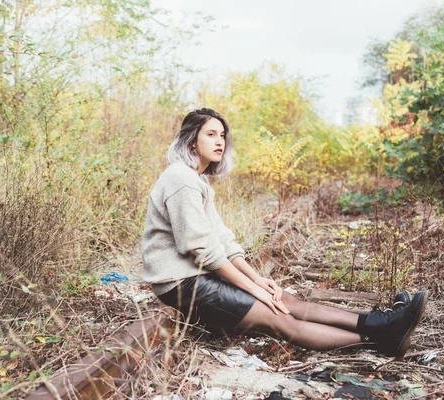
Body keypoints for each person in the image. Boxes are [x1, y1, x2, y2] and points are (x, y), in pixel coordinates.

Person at [142, 108, 428, 357]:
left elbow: (222, 240)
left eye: (222, 135)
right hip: (181, 284)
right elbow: (201, 249)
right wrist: (252, 289)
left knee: (286, 301)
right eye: (211, 135)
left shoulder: (198, 180)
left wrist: (258, 279)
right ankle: (380, 341)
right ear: (192, 141)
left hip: (199, 277)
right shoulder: (181, 179)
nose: (220, 141)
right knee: (280, 318)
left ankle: (382, 322)